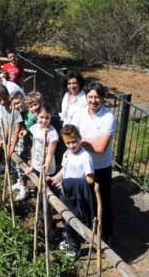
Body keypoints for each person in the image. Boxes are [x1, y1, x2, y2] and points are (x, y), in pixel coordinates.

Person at [71, 81, 116, 241]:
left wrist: (80, 141)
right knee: (84, 199)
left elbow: (101, 147)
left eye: (97, 97)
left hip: (100, 168)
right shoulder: (80, 113)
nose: (93, 100)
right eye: (90, 96)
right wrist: (90, 141)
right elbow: (70, 137)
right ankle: (89, 230)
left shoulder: (108, 117)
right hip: (82, 165)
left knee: (103, 203)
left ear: (102, 98)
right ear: (86, 97)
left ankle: (106, 234)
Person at [47, 124, 95, 261]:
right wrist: (55, 177)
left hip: (76, 196)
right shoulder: (67, 153)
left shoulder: (85, 157)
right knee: (65, 218)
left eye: (74, 141)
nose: (71, 145)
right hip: (65, 193)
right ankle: (70, 241)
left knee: (71, 222)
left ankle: (75, 249)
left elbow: (90, 180)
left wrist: (69, 183)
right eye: (68, 143)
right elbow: (64, 170)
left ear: (80, 139)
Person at [25, 103, 59, 177]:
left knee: (46, 187)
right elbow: (33, 147)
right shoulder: (35, 128)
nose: (44, 120)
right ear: (37, 116)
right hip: (36, 164)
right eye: (41, 117)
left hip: (47, 168)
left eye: (47, 118)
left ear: (50, 118)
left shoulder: (52, 134)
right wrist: (31, 166)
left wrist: (45, 171)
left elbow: (50, 154)